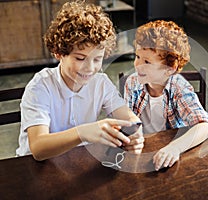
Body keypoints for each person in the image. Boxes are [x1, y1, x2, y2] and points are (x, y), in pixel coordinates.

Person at [16, 1, 144, 161]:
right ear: (58, 53)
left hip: (75, 161)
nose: (90, 68)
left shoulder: (100, 83)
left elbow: (129, 118)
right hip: (33, 168)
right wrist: (82, 132)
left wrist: (136, 133)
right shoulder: (40, 86)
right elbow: (38, 148)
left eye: (97, 59)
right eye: (80, 58)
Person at [124, 20, 208, 171]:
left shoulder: (179, 87)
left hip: (169, 153)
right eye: (137, 56)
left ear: (169, 69)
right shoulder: (132, 82)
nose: (137, 65)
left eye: (147, 61)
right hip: (142, 151)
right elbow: (126, 120)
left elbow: (205, 126)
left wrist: (175, 148)